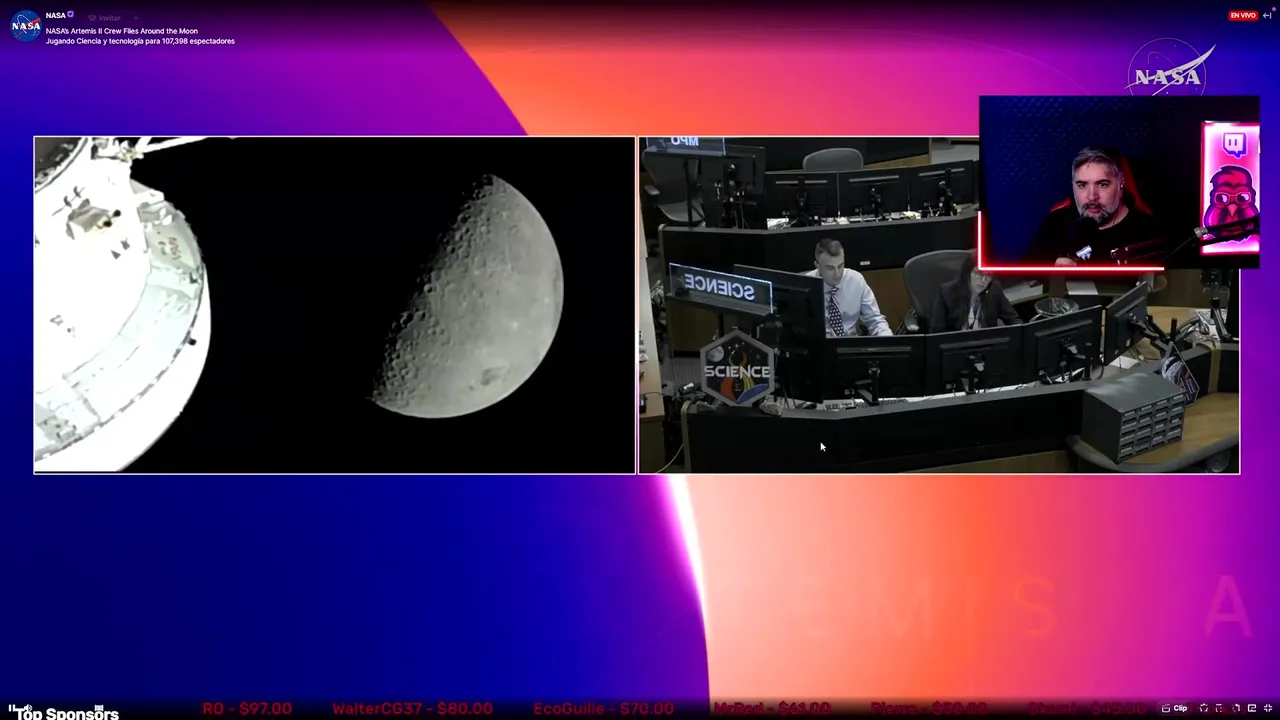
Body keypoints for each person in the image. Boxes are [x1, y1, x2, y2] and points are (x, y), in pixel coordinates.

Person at [1021, 148, 1160, 266]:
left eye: (1102, 184)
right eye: (1082, 185)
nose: (1092, 196)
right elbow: (1023, 276)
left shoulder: (1148, 231)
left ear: (1121, 182)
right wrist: (1050, 270)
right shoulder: (1056, 224)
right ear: (1073, 185)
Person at [803, 238, 893, 337]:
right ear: (817, 266)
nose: (837, 274)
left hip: (850, 342)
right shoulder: (805, 285)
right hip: (818, 343)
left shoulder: (856, 281)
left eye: (840, 266)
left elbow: (874, 320)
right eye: (830, 268)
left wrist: (887, 339)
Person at [928, 251, 1022, 333]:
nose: (983, 280)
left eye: (989, 275)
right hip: (955, 345)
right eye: (979, 273)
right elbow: (936, 332)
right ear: (967, 273)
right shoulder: (947, 292)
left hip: (986, 344)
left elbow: (1014, 319)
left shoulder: (994, 289)